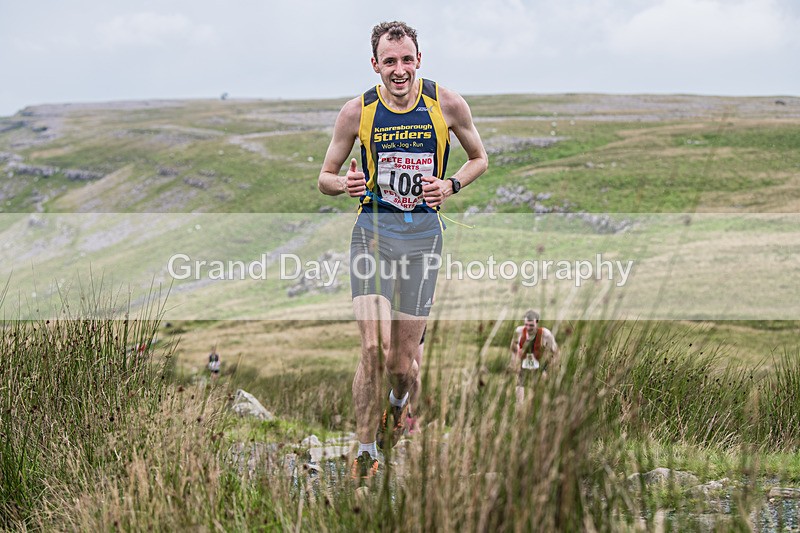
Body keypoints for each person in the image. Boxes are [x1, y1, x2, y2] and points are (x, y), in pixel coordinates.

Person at [318, 21, 488, 480]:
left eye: (406, 59)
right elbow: (325, 177)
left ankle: (398, 405)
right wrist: (344, 183)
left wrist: (450, 184)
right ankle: (367, 449)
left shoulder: (446, 104)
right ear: (375, 64)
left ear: (419, 59)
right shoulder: (357, 112)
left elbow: (480, 157)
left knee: (400, 365)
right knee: (373, 349)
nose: (399, 70)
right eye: (389, 61)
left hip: (422, 240)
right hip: (371, 235)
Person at [509, 310, 558, 403]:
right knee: (519, 391)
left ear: (537, 323)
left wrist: (550, 369)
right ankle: (519, 409)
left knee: (539, 395)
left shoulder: (546, 334)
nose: (528, 328)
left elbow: (555, 352)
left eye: (531, 325)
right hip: (523, 364)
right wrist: (513, 361)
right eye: (526, 324)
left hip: (540, 365)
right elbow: (513, 347)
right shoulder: (519, 331)